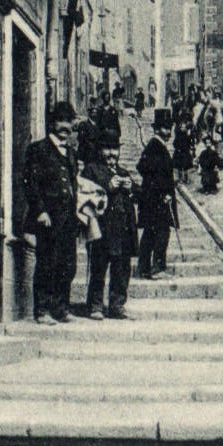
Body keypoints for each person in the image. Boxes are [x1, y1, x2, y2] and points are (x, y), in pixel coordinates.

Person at [22, 101, 79, 324]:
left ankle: (61, 308)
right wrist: (40, 211)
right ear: (53, 123)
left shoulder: (71, 153)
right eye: (61, 122)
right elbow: (31, 184)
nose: (66, 127)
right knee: (47, 263)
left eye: (69, 123)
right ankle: (42, 310)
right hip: (48, 219)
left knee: (68, 265)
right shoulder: (38, 149)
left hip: (68, 219)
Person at [82, 131, 139, 320]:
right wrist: (108, 186)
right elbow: (84, 195)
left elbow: (138, 195)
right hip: (102, 229)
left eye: (114, 149)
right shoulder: (91, 170)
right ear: (99, 150)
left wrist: (132, 189)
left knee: (122, 270)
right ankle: (95, 305)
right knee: (99, 267)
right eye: (107, 149)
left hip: (124, 231)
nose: (111, 153)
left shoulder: (123, 172)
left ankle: (117, 305)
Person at [136, 109, 177, 277]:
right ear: (156, 129)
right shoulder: (155, 146)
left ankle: (144, 267)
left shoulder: (158, 145)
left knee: (151, 232)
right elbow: (144, 168)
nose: (168, 132)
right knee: (161, 232)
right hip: (157, 199)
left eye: (169, 128)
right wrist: (163, 192)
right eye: (164, 128)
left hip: (154, 198)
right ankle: (157, 267)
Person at [172, 115, 194, 185]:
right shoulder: (178, 135)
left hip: (185, 152)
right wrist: (177, 149)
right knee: (179, 166)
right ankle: (180, 178)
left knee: (186, 166)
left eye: (184, 128)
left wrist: (191, 148)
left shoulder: (187, 136)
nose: (183, 129)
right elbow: (174, 143)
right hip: (179, 152)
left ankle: (186, 178)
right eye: (182, 127)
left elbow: (190, 143)